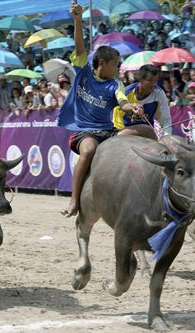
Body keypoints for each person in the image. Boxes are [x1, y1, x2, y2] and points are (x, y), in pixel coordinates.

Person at [58, 2, 150, 218]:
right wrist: (78, 20)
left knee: (148, 132)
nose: (118, 68)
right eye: (115, 64)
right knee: (88, 151)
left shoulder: (115, 84)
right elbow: (80, 46)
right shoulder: (84, 71)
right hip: (84, 133)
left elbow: (122, 102)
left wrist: (132, 108)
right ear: (101, 63)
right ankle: (74, 199)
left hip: (108, 132)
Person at [113, 64, 172, 136]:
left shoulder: (159, 93)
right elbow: (117, 121)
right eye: (150, 80)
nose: (154, 84)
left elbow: (165, 119)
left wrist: (167, 137)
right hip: (125, 131)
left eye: (156, 80)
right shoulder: (125, 93)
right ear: (140, 79)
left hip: (147, 132)